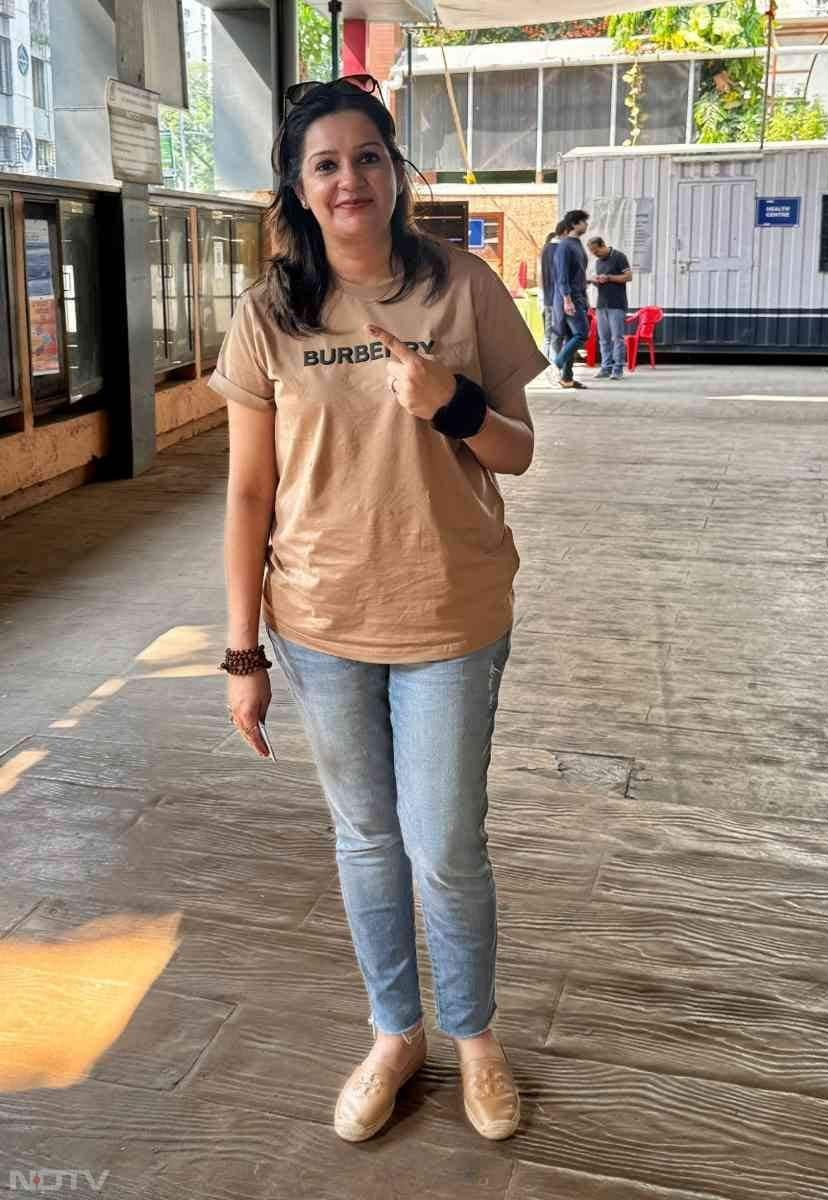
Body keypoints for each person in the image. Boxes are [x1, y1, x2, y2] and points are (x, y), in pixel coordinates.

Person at [210, 75, 547, 1146]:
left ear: (395, 173)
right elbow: (249, 493)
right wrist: (239, 652)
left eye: (366, 157)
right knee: (365, 841)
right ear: (299, 190)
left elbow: (517, 451)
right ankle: (395, 1033)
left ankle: (475, 1038)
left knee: (443, 842)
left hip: (449, 611)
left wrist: (447, 401)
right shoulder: (270, 316)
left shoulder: (463, 287)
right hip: (317, 621)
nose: (348, 178)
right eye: (324, 164)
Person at [552, 209, 590, 390]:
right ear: (574, 224)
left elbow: (577, 273)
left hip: (578, 296)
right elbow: (562, 276)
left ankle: (566, 379)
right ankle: (557, 363)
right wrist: (567, 299)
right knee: (582, 333)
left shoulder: (576, 244)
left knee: (570, 337)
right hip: (570, 297)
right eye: (584, 221)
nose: (586, 225)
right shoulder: (565, 246)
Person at [587, 236, 633, 381]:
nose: (595, 254)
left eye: (596, 251)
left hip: (617, 305)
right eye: (592, 252)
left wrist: (608, 278)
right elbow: (603, 281)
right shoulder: (598, 262)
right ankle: (605, 368)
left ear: (603, 245)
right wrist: (595, 281)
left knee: (617, 338)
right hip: (601, 305)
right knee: (604, 339)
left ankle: (618, 369)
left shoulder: (619, 257)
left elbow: (628, 276)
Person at [539, 219, 565, 361]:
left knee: (548, 335)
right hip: (559, 299)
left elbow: (541, 277)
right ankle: (556, 364)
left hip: (547, 298)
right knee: (558, 335)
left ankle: (545, 363)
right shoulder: (562, 250)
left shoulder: (545, 251)